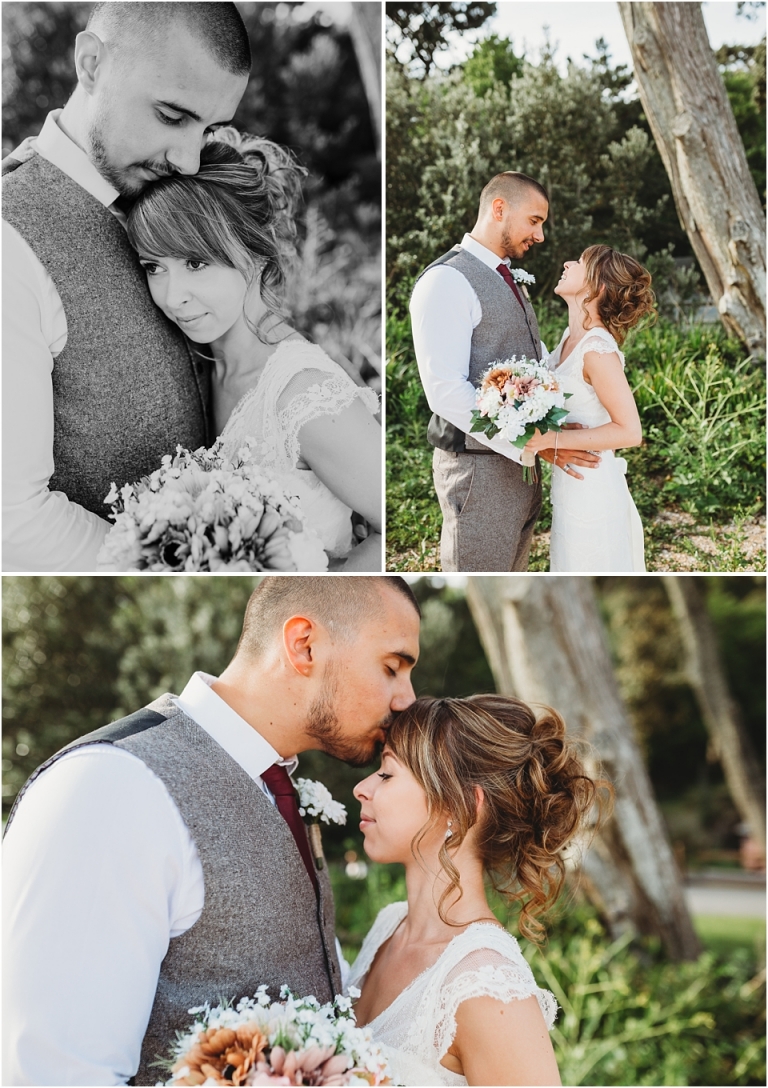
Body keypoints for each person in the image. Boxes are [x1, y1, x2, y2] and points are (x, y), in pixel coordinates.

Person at [2, 576, 421, 1086]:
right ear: (304, 645)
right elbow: (54, 1074)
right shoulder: (112, 787)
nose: (407, 698)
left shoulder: (280, 788)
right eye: (392, 667)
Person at [3, 2, 251, 572]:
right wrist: (189, 569)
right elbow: (12, 518)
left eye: (208, 128)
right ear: (91, 63)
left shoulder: (176, 195)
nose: (189, 159)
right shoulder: (8, 240)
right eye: (171, 115)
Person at [122, 128, 382, 571]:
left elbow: (393, 530)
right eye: (154, 267)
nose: (172, 296)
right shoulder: (200, 365)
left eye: (196, 263)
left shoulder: (305, 396)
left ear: (256, 251)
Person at [350, 695, 608, 1086]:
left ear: (461, 807)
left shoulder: (486, 986)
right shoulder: (388, 928)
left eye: (386, 773)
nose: (361, 788)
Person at [409, 171, 601, 573]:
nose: (541, 235)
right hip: (479, 470)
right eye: (535, 221)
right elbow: (445, 392)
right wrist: (540, 442)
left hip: (519, 469)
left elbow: (522, 355)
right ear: (499, 208)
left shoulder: (505, 275)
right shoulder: (446, 281)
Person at [524, 245, 656, 571]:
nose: (567, 262)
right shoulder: (571, 337)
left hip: (594, 491)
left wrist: (550, 440)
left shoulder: (596, 349)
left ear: (596, 286)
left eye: (580, 262)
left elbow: (629, 431)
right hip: (571, 488)